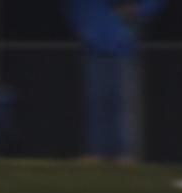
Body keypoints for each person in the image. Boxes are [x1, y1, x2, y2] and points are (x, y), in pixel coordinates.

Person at [66, 0, 165, 162]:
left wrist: (140, 10)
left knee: (122, 103)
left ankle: (123, 152)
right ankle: (96, 150)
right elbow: (75, 8)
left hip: (121, 47)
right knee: (96, 103)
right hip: (93, 47)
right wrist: (85, 30)